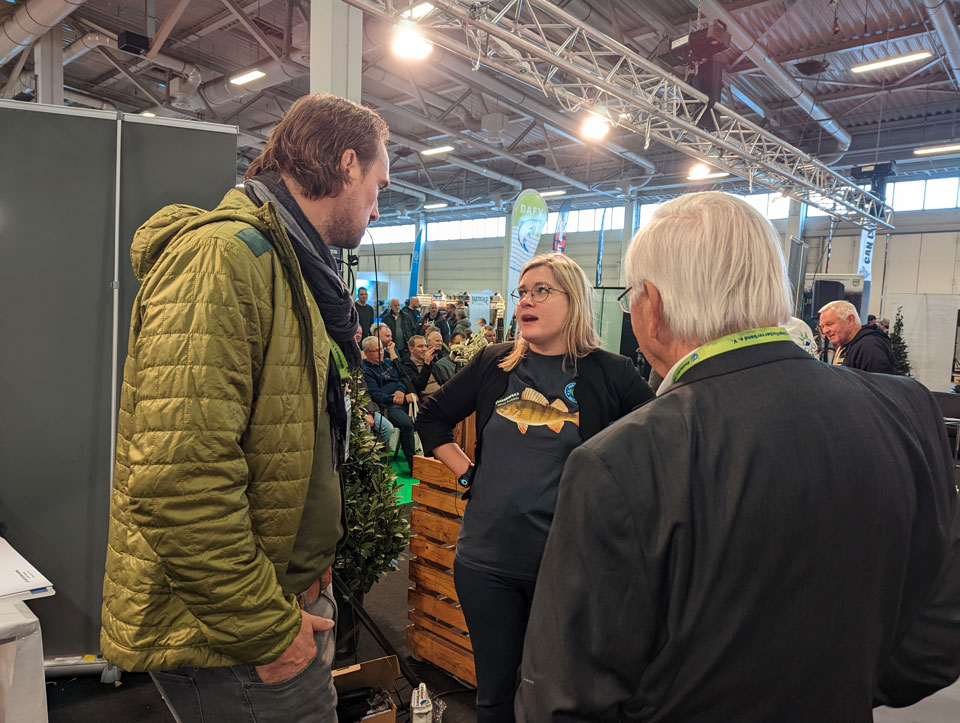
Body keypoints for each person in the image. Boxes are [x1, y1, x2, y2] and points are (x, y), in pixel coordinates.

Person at [515, 192, 960, 721]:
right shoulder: (907, 408)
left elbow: (562, 703)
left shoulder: (621, 460)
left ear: (651, 306)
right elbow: (942, 626)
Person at [101, 93, 391, 721]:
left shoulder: (290, 265)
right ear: (346, 165)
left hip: (279, 604)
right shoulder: (229, 257)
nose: (378, 201)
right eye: (377, 182)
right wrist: (264, 629)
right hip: (240, 635)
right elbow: (180, 481)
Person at [416, 253, 654, 723]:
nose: (526, 300)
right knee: (495, 699)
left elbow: (657, 446)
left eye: (540, 290)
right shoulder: (493, 363)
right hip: (488, 564)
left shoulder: (612, 373)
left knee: (563, 700)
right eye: (522, 292)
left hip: (570, 571)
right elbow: (432, 418)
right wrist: (468, 475)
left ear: (575, 299)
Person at [362, 336, 417, 472]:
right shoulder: (366, 370)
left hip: (402, 399)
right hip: (387, 406)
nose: (381, 352)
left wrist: (400, 390)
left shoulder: (388, 362)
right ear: (367, 353)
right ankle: (414, 466)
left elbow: (403, 378)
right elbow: (375, 395)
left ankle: (429, 459)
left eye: (381, 349)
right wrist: (400, 399)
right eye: (376, 351)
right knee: (407, 424)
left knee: (426, 419)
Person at [819, 299, 896, 373]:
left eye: (829, 324)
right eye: (822, 326)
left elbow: (879, 384)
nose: (825, 331)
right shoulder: (846, 345)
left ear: (850, 320)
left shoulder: (869, 346)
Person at [401, 334, 443, 399]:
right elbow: (419, 386)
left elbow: (441, 380)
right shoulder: (406, 366)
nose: (424, 349)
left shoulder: (431, 362)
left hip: (441, 392)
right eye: (420, 346)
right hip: (428, 398)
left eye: (425, 346)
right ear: (411, 349)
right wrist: (427, 364)